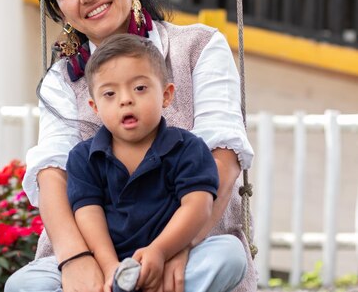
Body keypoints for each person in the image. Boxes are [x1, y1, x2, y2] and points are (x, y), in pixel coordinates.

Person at [4, 0, 255, 292]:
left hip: (191, 245)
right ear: (60, 10)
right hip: (95, 252)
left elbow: (223, 154)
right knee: (26, 286)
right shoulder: (63, 80)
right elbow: (53, 174)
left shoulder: (198, 47)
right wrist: (78, 261)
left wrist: (174, 248)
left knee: (225, 258)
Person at [65, 33, 246, 292]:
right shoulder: (84, 157)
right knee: (26, 281)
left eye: (139, 88)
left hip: (168, 254)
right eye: (109, 93)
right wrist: (108, 267)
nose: (125, 99)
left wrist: (161, 251)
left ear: (166, 95)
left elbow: (199, 205)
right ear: (95, 107)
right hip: (106, 263)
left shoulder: (187, 148)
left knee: (230, 254)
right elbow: (88, 212)